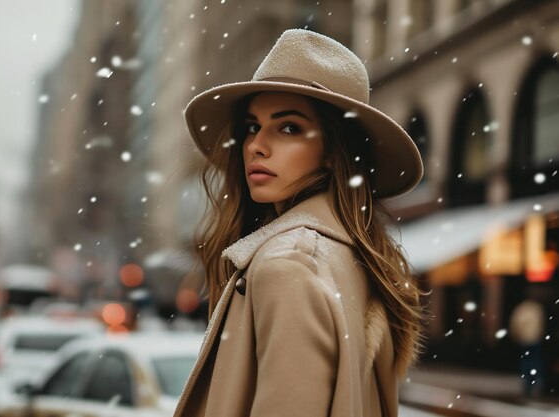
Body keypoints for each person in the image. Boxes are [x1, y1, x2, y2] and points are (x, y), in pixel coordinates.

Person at [174, 29, 425, 417]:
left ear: (332, 151)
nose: (257, 144)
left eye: (288, 127)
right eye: (253, 126)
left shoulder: (288, 265)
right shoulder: (357, 261)